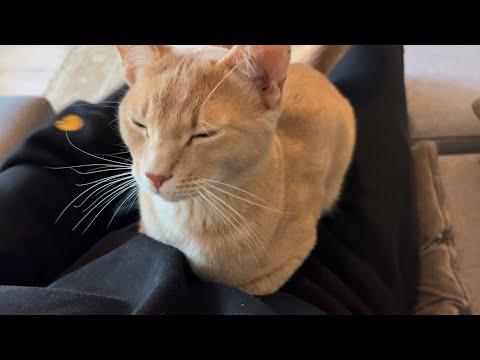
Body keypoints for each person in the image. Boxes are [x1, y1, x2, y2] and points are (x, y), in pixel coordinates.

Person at [0, 46, 418, 315]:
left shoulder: (267, 219)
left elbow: (301, 235)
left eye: (203, 135)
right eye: (138, 123)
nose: (154, 171)